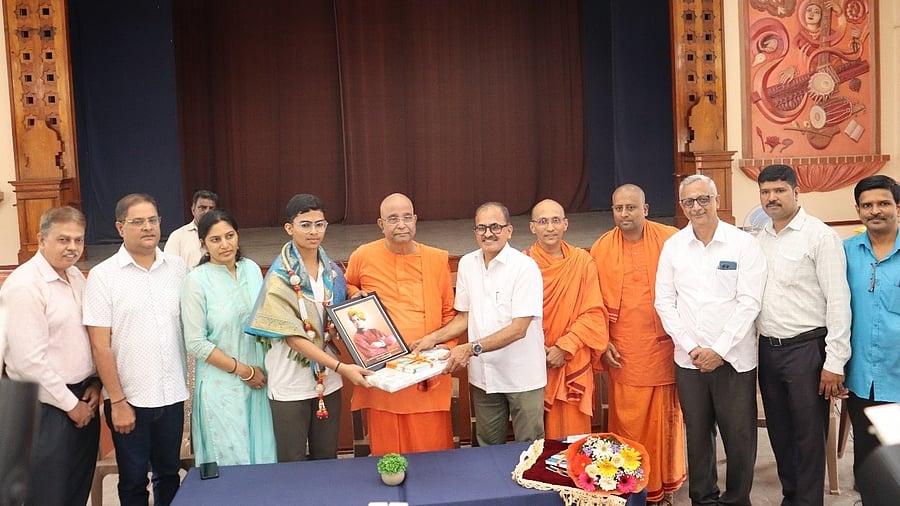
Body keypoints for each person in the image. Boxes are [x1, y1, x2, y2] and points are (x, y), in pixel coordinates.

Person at [654, 174, 766, 506]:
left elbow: (750, 303)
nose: (697, 207)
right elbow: (664, 301)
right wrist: (692, 347)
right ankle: (703, 499)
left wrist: (718, 349)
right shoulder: (673, 246)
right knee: (698, 436)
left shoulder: (743, 243)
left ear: (717, 200)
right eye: (689, 201)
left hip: (734, 359)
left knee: (739, 437)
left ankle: (736, 500)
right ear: (682, 205)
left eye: (704, 199)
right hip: (689, 361)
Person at [245, 193, 370, 461]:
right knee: (292, 463)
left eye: (320, 224)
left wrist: (352, 306)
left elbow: (333, 319)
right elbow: (295, 339)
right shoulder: (279, 277)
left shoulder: (333, 272)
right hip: (290, 383)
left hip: (329, 382)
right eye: (305, 224)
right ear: (289, 228)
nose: (314, 232)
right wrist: (342, 367)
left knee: (326, 458)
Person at [83, 194, 189, 506]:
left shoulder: (178, 268)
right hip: (129, 400)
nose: (148, 227)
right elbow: (100, 346)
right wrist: (117, 401)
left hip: (171, 395)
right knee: (132, 482)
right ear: (120, 227)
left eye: (153, 220)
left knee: (169, 475)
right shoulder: (104, 276)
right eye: (138, 221)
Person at [755, 164, 851, 506]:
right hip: (768, 349)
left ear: (797, 193)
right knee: (780, 436)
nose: (772, 198)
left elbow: (838, 301)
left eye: (780, 190)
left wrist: (835, 362)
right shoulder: (760, 237)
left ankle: (808, 502)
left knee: (808, 437)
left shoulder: (820, 236)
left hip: (807, 351)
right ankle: (790, 497)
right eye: (766, 192)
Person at [415, 202, 546, 446]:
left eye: (495, 227)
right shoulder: (467, 264)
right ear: (475, 232)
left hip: (522, 375)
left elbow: (519, 329)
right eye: (481, 228)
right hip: (485, 377)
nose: (488, 233)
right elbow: (464, 317)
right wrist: (433, 338)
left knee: (530, 449)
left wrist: (471, 348)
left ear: (509, 230)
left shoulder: (524, 268)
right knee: (487, 448)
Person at [590, 184, 686, 505]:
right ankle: (628, 484)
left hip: (664, 347)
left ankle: (662, 487)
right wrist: (602, 342)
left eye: (631, 207)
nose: (624, 214)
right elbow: (592, 302)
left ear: (645, 209)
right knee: (628, 421)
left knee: (663, 421)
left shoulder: (671, 239)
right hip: (623, 351)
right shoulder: (601, 248)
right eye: (619, 208)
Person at [1, 206, 100, 506]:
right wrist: (71, 405)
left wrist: (95, 383)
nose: (72, 248)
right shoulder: (25, 286)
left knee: (75, 492)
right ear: (41, 239)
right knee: (44, 496)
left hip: (83, 399)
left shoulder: (76, 277)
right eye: (63, 239)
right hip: (46, 409)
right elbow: (28, 363)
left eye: (78, 240)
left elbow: (85, 337)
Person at [344, 192, 457, 455]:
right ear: (381, 224)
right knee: (389, 457)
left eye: (407, 217)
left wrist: (440, 357)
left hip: (425, 373)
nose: (401, 224)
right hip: (385, 373)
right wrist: (353, 294)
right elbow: (348, 284)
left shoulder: (437, 259)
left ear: (415, 220)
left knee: (433, 456)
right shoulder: (363, 255)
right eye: (393, 219)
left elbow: (449, 314)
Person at [181, 209, 277, 466]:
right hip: (221, 386)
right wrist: (242, 370)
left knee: (264, 460)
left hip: (260, 380)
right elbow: (196, 342)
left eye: (229, 236)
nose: (225, 244)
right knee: (232, 466)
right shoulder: (196, 281)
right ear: (203, 244)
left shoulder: (252, 270)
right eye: (215, 239)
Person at [523, 199, 608, 439]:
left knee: (573, 443)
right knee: (537, 441)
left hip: (572, 358)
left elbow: (594, 313)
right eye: (543, 222)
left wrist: (565, 347)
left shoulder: (582, 262)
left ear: (565, 224)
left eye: (555, 220)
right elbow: (516, 317)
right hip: (535, 359)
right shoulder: (523, 263)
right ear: (532, 227)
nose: (549, 228)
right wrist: (542, 351)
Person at [843, 175, 900, 480]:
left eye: (883, 203)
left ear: (898, 207)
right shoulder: (846, 252)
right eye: (867, 205)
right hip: (861, 377)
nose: (875, 210)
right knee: (868, 461)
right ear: (858, 210)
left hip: (898, 373)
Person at [164, 189, 218, 269]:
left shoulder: (222, 235)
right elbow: (169, 267)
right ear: (193, 210)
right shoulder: (178, 236)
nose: (207, 212)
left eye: (211, 208)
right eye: (202, 208)